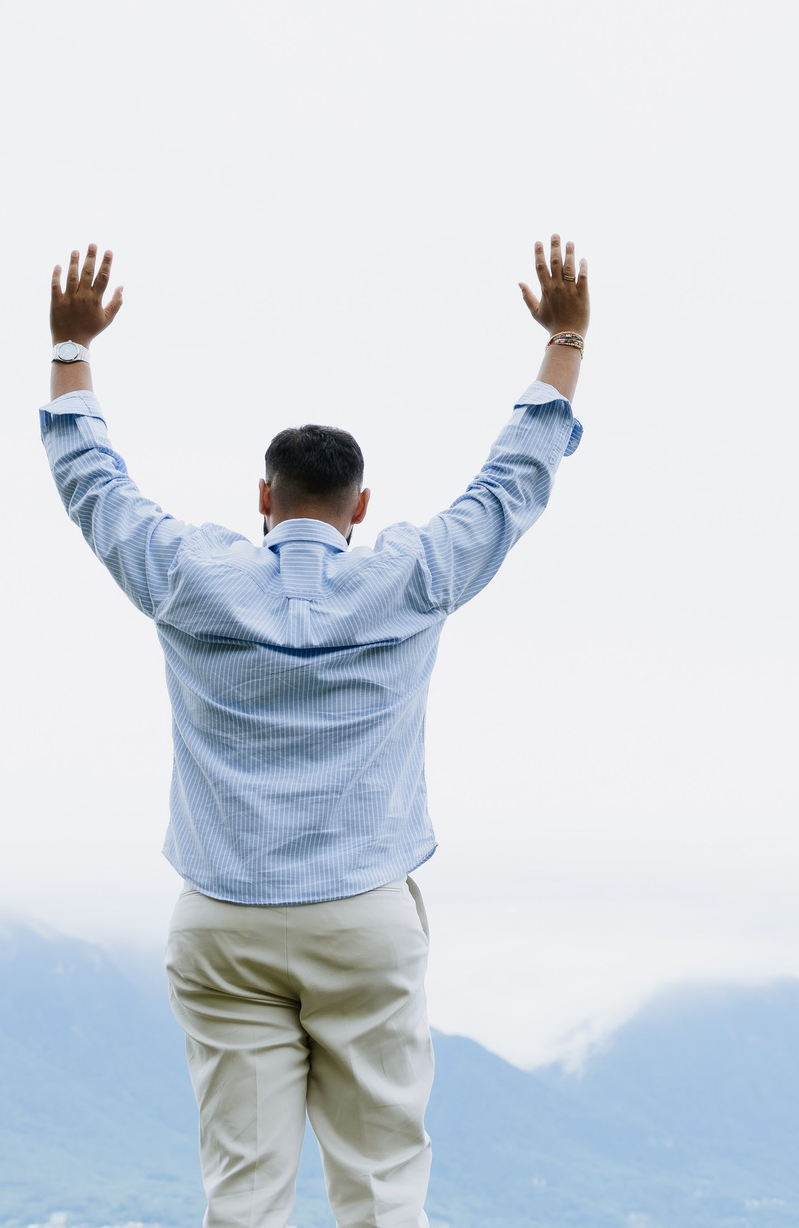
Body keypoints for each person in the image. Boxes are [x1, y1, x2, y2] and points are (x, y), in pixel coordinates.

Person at [39, 236, 593, 1228]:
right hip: (362, 918)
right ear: (360, 507)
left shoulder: (187, 572)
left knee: (243, 1200)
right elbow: (512, 485)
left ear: (264, 499)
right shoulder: (409, 575)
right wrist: (564, 341)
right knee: (382, 1190)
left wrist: (72, 353)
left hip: (223, 915)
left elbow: (94, 488)